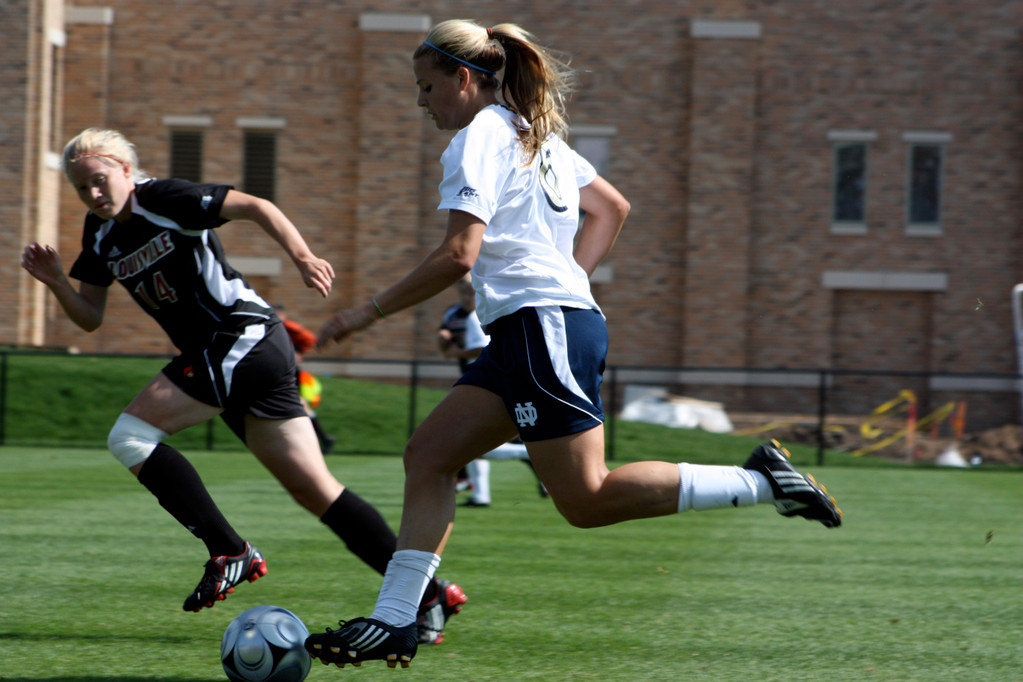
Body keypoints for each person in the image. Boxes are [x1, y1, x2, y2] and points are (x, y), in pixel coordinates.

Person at [305, 20, 842, 669]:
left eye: (425, 86)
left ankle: (758, 480)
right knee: (429, 456)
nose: (421, 101)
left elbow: (458, 254)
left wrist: (363, 314)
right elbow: (611, 208)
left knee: (585, 499)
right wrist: (568, 280)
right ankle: (396, 618)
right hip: (531, 327)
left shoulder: (479, 136)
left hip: (543, 326)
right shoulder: (533, 134)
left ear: (463, 78)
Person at [20, 128, 465, 645]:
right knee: (315, 490)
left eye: (100, 180)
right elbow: (90, 318)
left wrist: (302, 256)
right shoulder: (99, 235)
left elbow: (257, 206)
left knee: (130, 436)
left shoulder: (163, 198)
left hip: (240, 335)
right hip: (231, 353)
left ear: (125, 169)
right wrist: (57, 283)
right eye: (81, 187)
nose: (93, 193)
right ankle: (428, 595)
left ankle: (229, 550)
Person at [274, 304, 337, 454]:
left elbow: (309, 340)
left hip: (289, 370)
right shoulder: (269, 329)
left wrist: (297, 353)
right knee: (298, 405)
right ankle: (322, 439)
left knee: (298, 404)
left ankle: (316, 440)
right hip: (277, 369)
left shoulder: (288, 328)